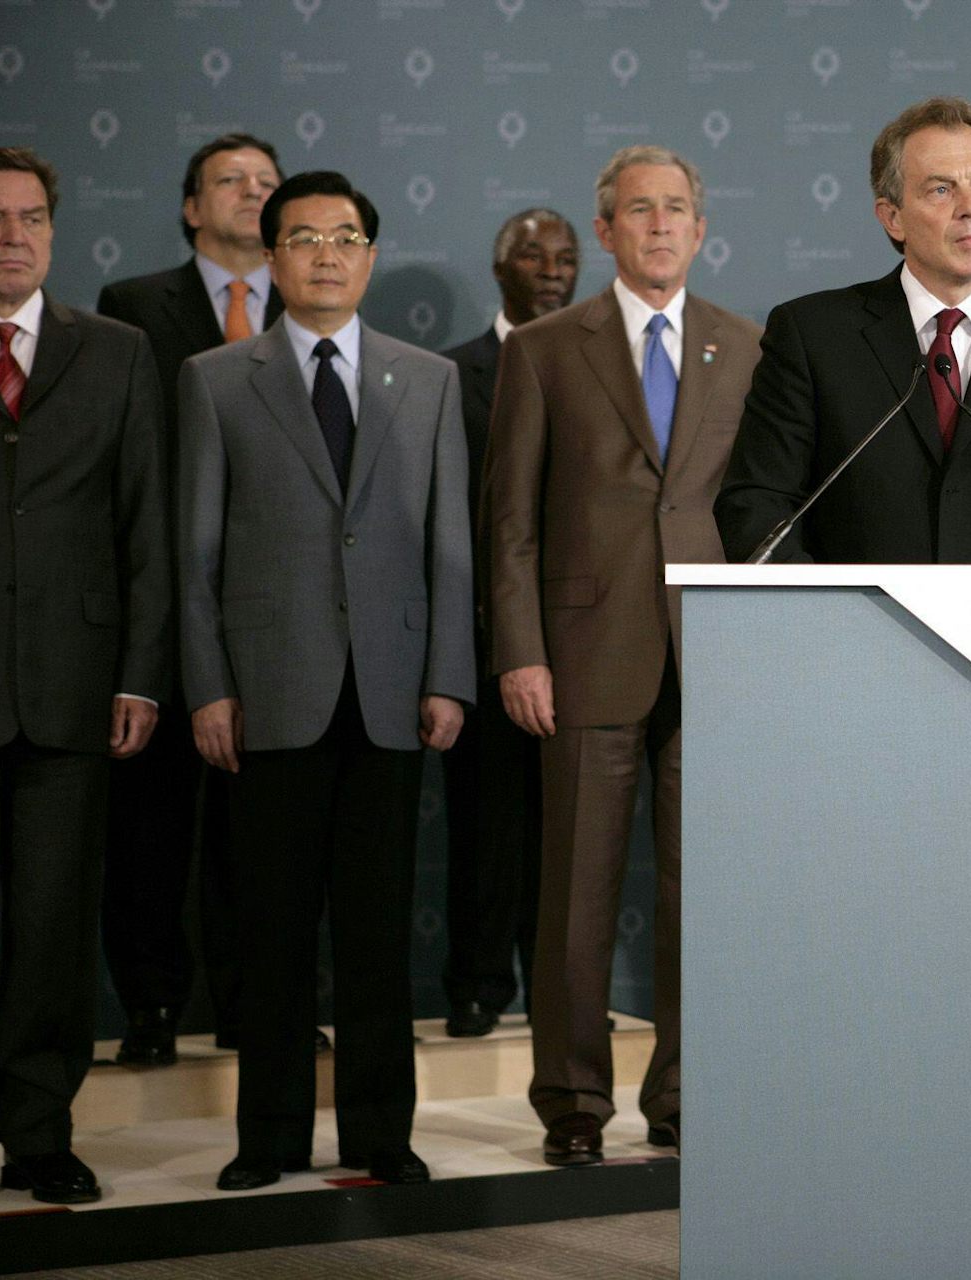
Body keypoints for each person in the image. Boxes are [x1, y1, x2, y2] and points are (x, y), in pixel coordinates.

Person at [178, 170, 473, 1191]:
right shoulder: (217, 378)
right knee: (273, 933)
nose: (327, 255)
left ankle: (381, 1133)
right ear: (272, 258)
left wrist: (450, 675)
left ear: (371, 257)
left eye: (346, 237)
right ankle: (269, 1138)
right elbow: (195, 553)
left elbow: (451, 545)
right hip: (268, 691)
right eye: (304, 238)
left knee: (377, 932)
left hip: (392, 690)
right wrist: (208, 685)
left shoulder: (428, 378)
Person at [0, 146, 170, 1213]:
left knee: (55, 936)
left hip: (77, 688)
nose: (14, 236)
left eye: (32, 218)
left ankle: (42, 1136)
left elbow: (146, 525)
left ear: (54, 233)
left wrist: (142, 674)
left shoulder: (118, 352)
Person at [483, 145, 760, 1167]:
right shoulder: (546, 349)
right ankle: (572, 1101)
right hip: (583, 652)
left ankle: (685, 1094)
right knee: (578, 894)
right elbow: (509, 520)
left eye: (676, 208)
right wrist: (521, 651)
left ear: (701, 228)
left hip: (712, 653)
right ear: (605, 230)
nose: (659, 225)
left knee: (701, 891)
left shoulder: (747, 344)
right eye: (639, 209)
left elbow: (760, 509)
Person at [716, 96, 971, 565]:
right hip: (854, 616)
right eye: (941, 190)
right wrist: (828, 609)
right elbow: (757, 507)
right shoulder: (813, 337)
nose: (970, 208)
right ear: (892, 217)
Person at [95, 132, 287, 1065]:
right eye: (230, 180)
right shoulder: (135, 308)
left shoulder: (315, 303)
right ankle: (153, 1007)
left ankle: (256, 1007)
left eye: (266, 182)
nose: (251, 193)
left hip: (278, 608)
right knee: (151, 827)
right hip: (169, 600)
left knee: (262, 834)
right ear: (190, 205)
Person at [439, 208, 580, 1039]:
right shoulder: (450, 375)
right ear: (500, 270)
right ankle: (477, 986)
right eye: (533, 256)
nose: (553, 270)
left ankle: (559, 991)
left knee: (569, 833)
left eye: (565, 257)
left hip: (581, 635)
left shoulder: (596, 364)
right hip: (483, 636)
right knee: (486, 826)